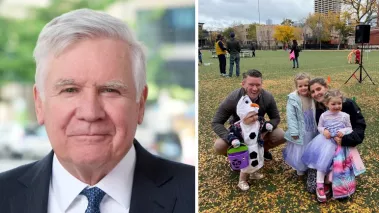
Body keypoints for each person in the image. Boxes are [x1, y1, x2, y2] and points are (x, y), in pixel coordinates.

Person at [0, 9, 194, 213]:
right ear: (39, 103)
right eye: (70, 90)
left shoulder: (191, 193)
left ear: (140, 103)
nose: (90, 113)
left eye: (110, 90)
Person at [305, 78, 366, 200]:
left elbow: (359, 126)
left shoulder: (347, 105)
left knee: (339, 170)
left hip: (343, 144)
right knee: (312, 187)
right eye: (313, 91)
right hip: (326, 143)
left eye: (319, 89)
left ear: (326, 87)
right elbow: (320, 127)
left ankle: (338, 184)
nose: (316, 93)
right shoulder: (318, 109)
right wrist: (324, 132)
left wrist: (346, 139)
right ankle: (324, 182)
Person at [212, 69, 286, 160]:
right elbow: (216, 122)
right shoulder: (233, 98)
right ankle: (239, 157)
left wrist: (263, 132)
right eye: (251, 85)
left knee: (281, 135)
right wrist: (231, 138)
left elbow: (275, 118)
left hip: (259, 128)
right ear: (243, 84)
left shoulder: (267, 97)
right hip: (238, 132)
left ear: (261, 84)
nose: (255, 89)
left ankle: (262, 151)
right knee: (219, 146)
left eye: (258, 85)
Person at [228, 97, 273, 190]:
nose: (254, 118)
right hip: (245, 149)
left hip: (257, 146)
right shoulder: (238, 126)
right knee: (245, 165)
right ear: (243, 117)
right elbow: (231, 134)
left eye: (255, 114)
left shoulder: (258, 122)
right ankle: (242, 181)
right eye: (251, 116)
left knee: (257, 160)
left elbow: (262, 126)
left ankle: (254, 173)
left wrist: (267, 126)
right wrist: (234, 140)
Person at [283, 73, 318, 179]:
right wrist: (294, 132)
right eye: (300, 86)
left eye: (306, 85)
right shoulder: (293, 99)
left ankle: (310, 167)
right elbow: (291, 117)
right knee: (300, 150)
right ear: (296, 87)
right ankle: (300, 170)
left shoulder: (313, 96)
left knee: (311, 147)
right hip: (300, 130)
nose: (303, 88)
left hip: (312, 127)